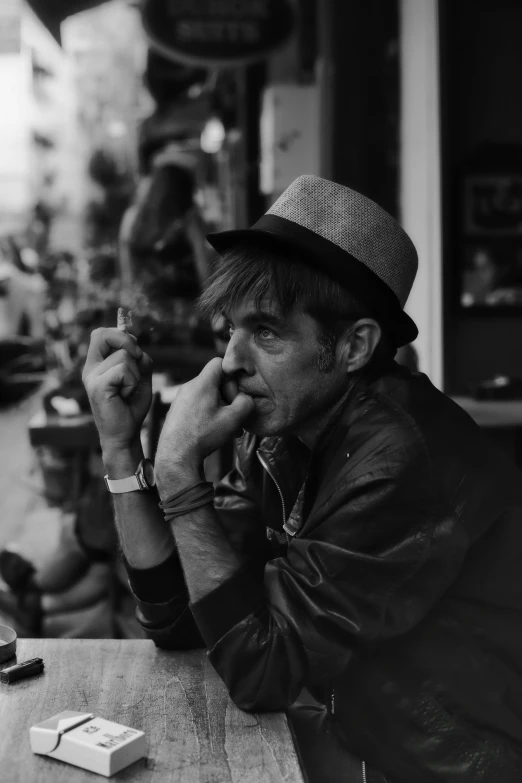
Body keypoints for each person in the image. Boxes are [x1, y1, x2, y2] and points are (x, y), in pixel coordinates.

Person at [82, 175, 522, 783]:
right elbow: (183, 619)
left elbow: (261, 670)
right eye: (230, 329)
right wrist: (119, 445)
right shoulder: (284, 433)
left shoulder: (399, 459)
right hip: (355, 745)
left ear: (354, 346)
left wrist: (182, 472)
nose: (232, 360)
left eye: (266, 332)